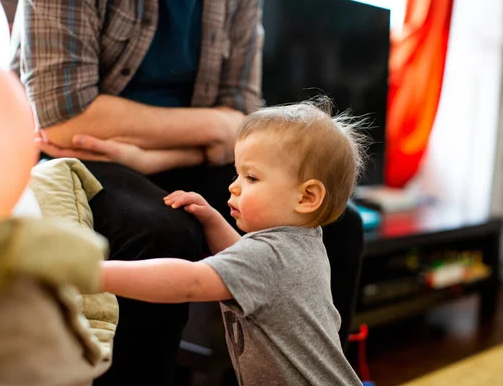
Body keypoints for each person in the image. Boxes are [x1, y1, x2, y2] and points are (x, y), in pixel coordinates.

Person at [11, 0, 263, 384]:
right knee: (162, 230)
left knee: (328, 226)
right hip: (80, 154)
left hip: (175, 154)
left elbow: (245, 121)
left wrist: (149, 158)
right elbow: (65, 117)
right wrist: (216, 125)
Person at [101, 100, 365, 386]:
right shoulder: (302, 243)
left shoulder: (272, 258)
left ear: (306, 197)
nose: (233, 186)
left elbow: (190, 281)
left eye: (251, 177)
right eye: (237, 173)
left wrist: (94, 273)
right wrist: (212, 220)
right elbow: (243, 263)